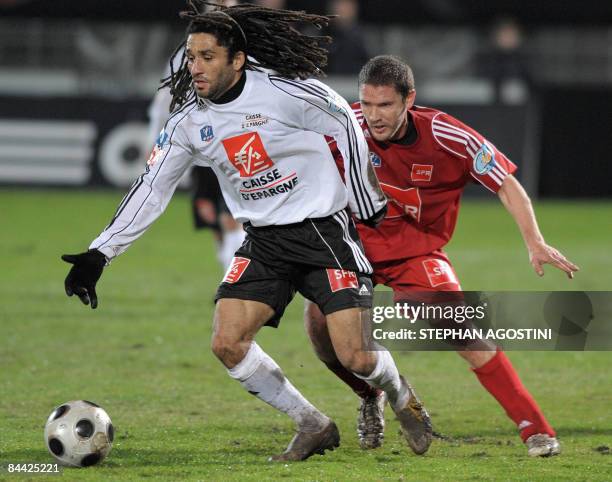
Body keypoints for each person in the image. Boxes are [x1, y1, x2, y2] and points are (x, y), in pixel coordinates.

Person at [61, 3, 433, 461]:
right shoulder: (188, 122)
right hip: (264, 240)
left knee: (356, 357)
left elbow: (341, 118)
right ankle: (312, 423)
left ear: (236, 59)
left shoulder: (283, 91)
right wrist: (100, 253)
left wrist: (365, 196)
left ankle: (399, 395)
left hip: (323, 232)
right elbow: (151, 188)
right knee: (227, 342)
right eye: (191, 56)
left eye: (207, 57)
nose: (194, 67)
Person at [304, 55, 578, 456]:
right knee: (317, 327)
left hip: (416, 252)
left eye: (385, 105)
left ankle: (535, 427)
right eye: (366, 104)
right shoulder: (348, 129)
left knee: (462, 333)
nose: (374, 116)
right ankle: (371, 397)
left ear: (409, 100)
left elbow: (505, 182)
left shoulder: (448, 136)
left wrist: (534, 241)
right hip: (352, 248)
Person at [148, 41, 245, 272]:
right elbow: (165, 99)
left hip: (234, 147)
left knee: (231, 218)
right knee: (212, 218)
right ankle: (229, 272)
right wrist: (156, 137)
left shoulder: (242, 51)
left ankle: (236, 280)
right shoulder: (186, 53)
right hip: (201, 150)